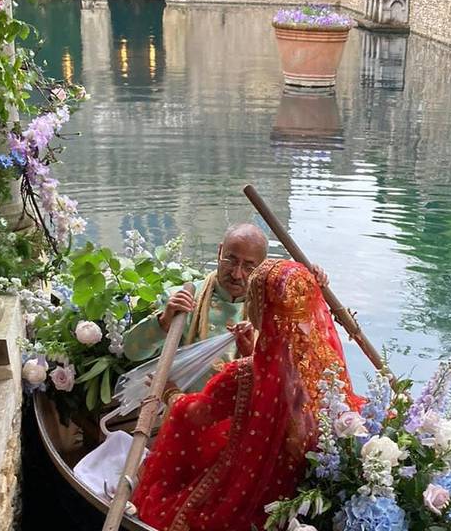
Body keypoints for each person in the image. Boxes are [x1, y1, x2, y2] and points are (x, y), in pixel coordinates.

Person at [132, 260, 363, 531]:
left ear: (261, 307)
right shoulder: (326, 365)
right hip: (301, 484)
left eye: (253, 298)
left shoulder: (246, 374)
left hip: (251, 486)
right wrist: (250, 353)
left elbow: (198, 415)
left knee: (176, 491)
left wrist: (169, 392)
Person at [123, 223, 328, 391]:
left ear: (263, 267)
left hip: (250, 418)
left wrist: (312, 288)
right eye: (231, 260)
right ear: (220, 251)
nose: (237, 274)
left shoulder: (273, 307)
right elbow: (132, 351)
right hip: (186, 416)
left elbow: (302, 359)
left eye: (249, 267)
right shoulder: (184, 298)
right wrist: (164, 321)